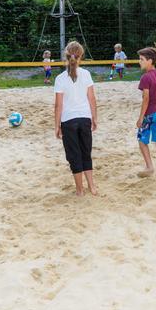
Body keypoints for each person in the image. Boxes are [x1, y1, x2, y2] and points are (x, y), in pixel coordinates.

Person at [54, 41, 98, 196]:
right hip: (84, 118)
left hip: (68, 120)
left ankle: (80, 190)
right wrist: (94, 117)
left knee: (74, 155)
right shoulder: (86, 74)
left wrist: (57, 125)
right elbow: (92, 98)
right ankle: (92, 187)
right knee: (86, 153)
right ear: (81, 56)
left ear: (66, 56)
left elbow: (58, 105)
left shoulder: (60, 78)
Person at [135, 46, 156, 178]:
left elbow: (146, 98)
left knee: (142, 141)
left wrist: (140, 117)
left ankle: (149, 167)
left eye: (142, 59)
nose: (139, 61)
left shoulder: (145, 77)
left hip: (149, 114)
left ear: (150, 61)